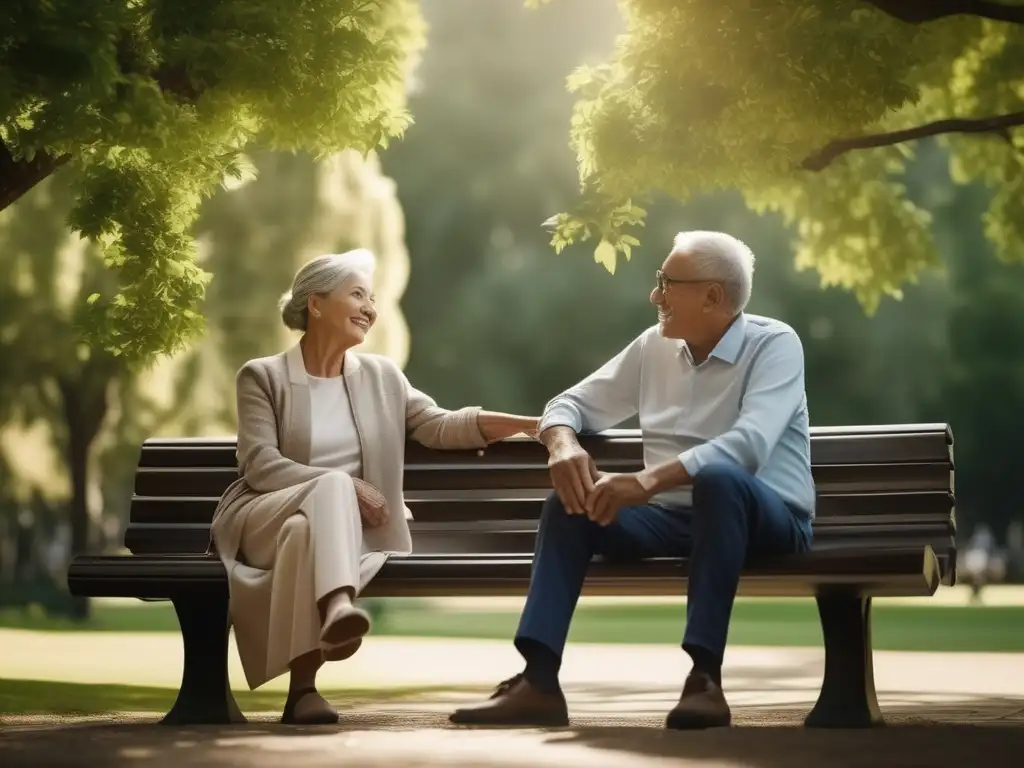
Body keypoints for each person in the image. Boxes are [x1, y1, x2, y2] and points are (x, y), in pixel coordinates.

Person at [449, 230, 816, 730]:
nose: (655, 295)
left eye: (667, 283)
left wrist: (645, 483)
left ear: (713, 296)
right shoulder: (653, 348)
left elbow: (749, 445)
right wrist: (563, 445)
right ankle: (538, 681)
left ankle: (704, 680)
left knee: (722, 482)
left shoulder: (775, 345)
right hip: (669, 521)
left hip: (765, 520)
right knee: (570, 504)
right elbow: (568, 404)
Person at [210, 249, 538, 725]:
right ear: (316, 304)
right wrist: (343, 486)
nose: (370, 308)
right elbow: (261, 466)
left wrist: (529, 423)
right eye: (357, 294)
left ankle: (302, 694)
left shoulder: (382, 377)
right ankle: (339, 606)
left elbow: (439, 425)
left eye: (372, 298)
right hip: (262, 520)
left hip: (331, 534)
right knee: (329, 492)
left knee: (308, 532)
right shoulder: (263, 376)